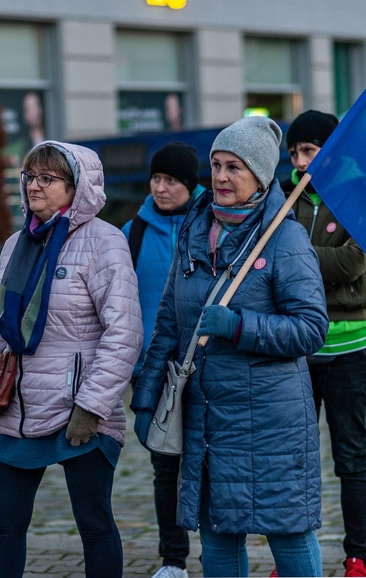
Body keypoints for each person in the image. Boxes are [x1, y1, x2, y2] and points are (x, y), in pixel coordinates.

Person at [131, 116, 329, 578]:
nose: (220, 177)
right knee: (218, 535)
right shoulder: (194, 230)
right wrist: (146, 397)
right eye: (216, 165)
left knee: (289, 532)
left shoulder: (286, 236)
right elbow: (167, 323)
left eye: (234, 167)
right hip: (207, 419)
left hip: (271, 422)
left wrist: (240, 326)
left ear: (259, 176)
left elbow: (309, 328)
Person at [0, 141, 144, 578]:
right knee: (5, 526)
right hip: (17, 407)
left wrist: (93, 406)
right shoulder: (16, 244)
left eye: (47, 178)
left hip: (78, 410)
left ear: (77, 187)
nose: (34, 186)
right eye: (29, 177)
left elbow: (124, 333)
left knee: (94, 524)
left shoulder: (105, 242)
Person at [282, 110, 366, 578]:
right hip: (299, 347)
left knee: (350, 455)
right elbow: (272, 264)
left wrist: (295, 256)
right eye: (294, 154)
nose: (301, 162)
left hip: (350, 347)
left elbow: (352, 264)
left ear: (332, 148)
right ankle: (295, 555)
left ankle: (357, 555)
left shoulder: (361, 192)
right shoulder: (286, 199)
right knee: (296, 457)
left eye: (309, 151)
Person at [122, 141, 205, 578]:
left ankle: (218, 550)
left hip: (206, 364)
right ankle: (173, 559)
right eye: (156, 178)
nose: (161, 187)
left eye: (171, 180)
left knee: (211, 461)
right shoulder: (131, 233)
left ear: (190, 186)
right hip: (153, 368)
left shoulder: (211, 226)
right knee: (165, 466)